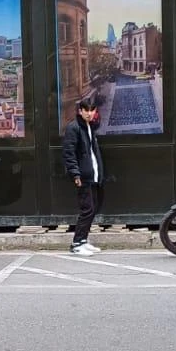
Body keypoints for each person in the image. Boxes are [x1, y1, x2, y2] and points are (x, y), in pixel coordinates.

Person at [63, 96, 105, 256]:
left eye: (92, 110)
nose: (89, 113)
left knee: (92, 209)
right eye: (86, 110)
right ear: (80, 111)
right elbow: (69, 153)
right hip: (83, 176)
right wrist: (75, 174)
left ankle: (83, 241)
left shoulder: (89, 126)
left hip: (93, 175)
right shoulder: (73, 128)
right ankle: (76, 244)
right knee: (87, 210)